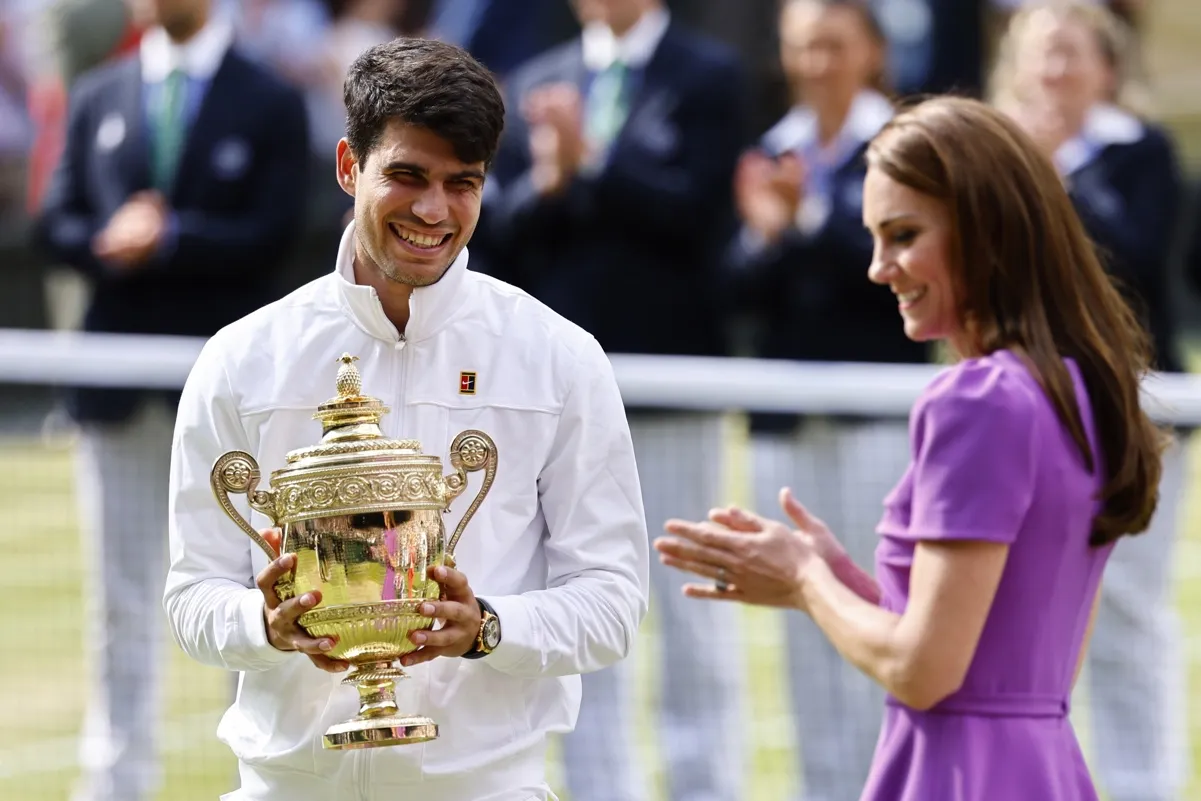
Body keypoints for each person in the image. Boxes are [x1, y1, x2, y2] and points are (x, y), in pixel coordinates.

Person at [162, 37, 650, 801]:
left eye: (463, 183)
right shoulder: (242, 358)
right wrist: (264, 623)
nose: (433, 210)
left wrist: (487, 625)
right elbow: (192, 594)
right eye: (407, 175)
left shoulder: (558, 356)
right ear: (348, 166)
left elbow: (613, 602)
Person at [654, 94, 1166, 801]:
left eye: (900, 234)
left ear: (984, 228)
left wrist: (807, 579)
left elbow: (925, 671)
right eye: (872, 236)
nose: (877, 266)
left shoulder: (977, 401)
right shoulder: (1079, 386)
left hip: (956, 772)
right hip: (1042, 767)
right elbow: (1004, 653)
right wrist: (837, 579)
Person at [33, 0, 309, 799]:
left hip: (232, 398)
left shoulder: (268, 97)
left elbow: (277, 227)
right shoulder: (100, 93)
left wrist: (175, 235)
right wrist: (108, 237)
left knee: (250, 593)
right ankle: (116, 779)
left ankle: (256, 774)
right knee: (118, 598)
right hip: (116, 388)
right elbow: (56, 218)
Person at [486, 2, 747, 800]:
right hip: (560, 394)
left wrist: (594, 163)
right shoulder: (536, 79)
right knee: (574, 597)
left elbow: (699, 215)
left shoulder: (709, 74)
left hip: (670, 384)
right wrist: (552, 182)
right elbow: (501, 229)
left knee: (689, 611)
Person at [991, 5, 1190, 799]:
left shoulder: (1141, 154)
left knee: (1130, 615)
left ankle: (1143, 782)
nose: (1054, 72)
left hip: (1131, 409)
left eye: (1070, 54)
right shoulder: (1002, 154)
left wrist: (1055, 173)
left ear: (1106, 68)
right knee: (1038, 621)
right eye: (1040, 56)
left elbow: (1135, 259)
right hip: (1030, 409)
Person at [724, 2, 924, 796]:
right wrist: (766, 235)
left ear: (870, 51)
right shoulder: (772, 148)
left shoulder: (903, 148)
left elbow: (887, 278)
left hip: (874, 416)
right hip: (785, 419)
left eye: (833, 45)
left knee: (883, 610)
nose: (816, 63)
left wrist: (802, 219)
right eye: (802, 47)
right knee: (806, 626)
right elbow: (735, 289)